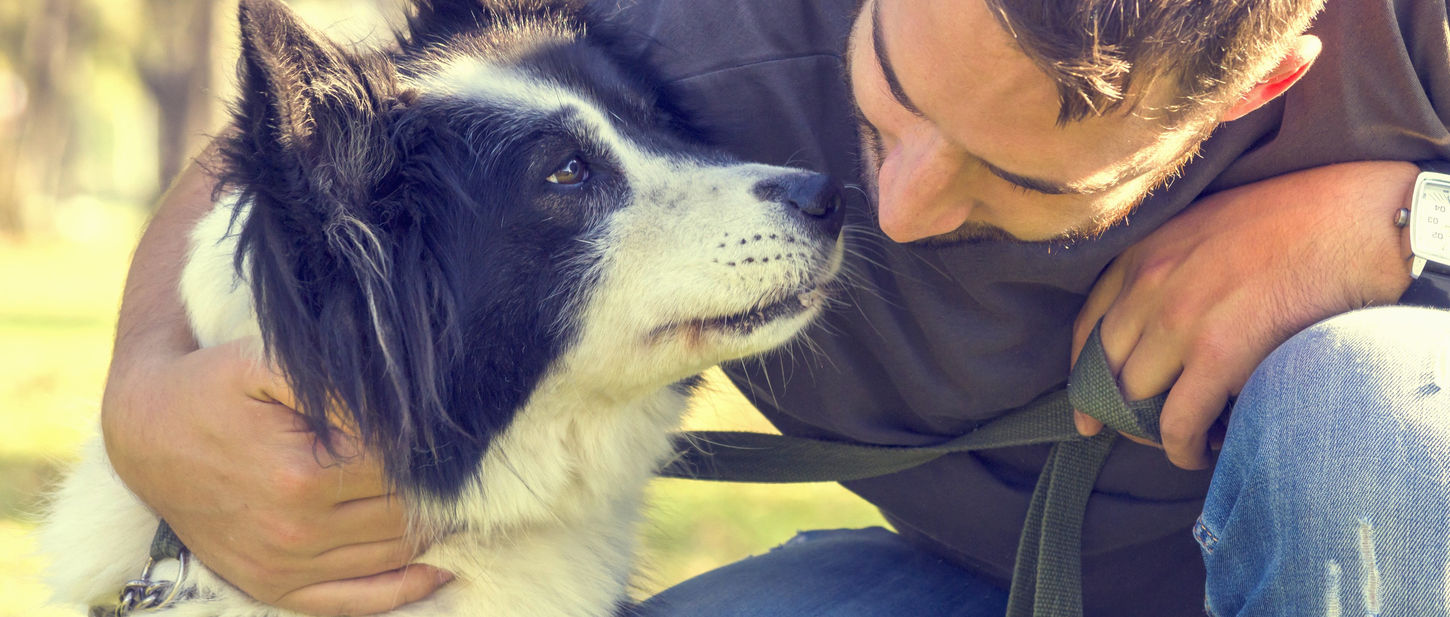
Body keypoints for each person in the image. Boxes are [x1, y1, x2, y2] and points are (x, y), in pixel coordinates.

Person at [100, 0, 1450, 615]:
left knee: (1370, 405)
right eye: (888, 100)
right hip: (973, 584)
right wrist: (145, 390)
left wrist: (1393, 221)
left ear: (1257, 85)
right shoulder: (682, 31)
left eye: (1011, 178)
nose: (900, 206)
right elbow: (325, 126)